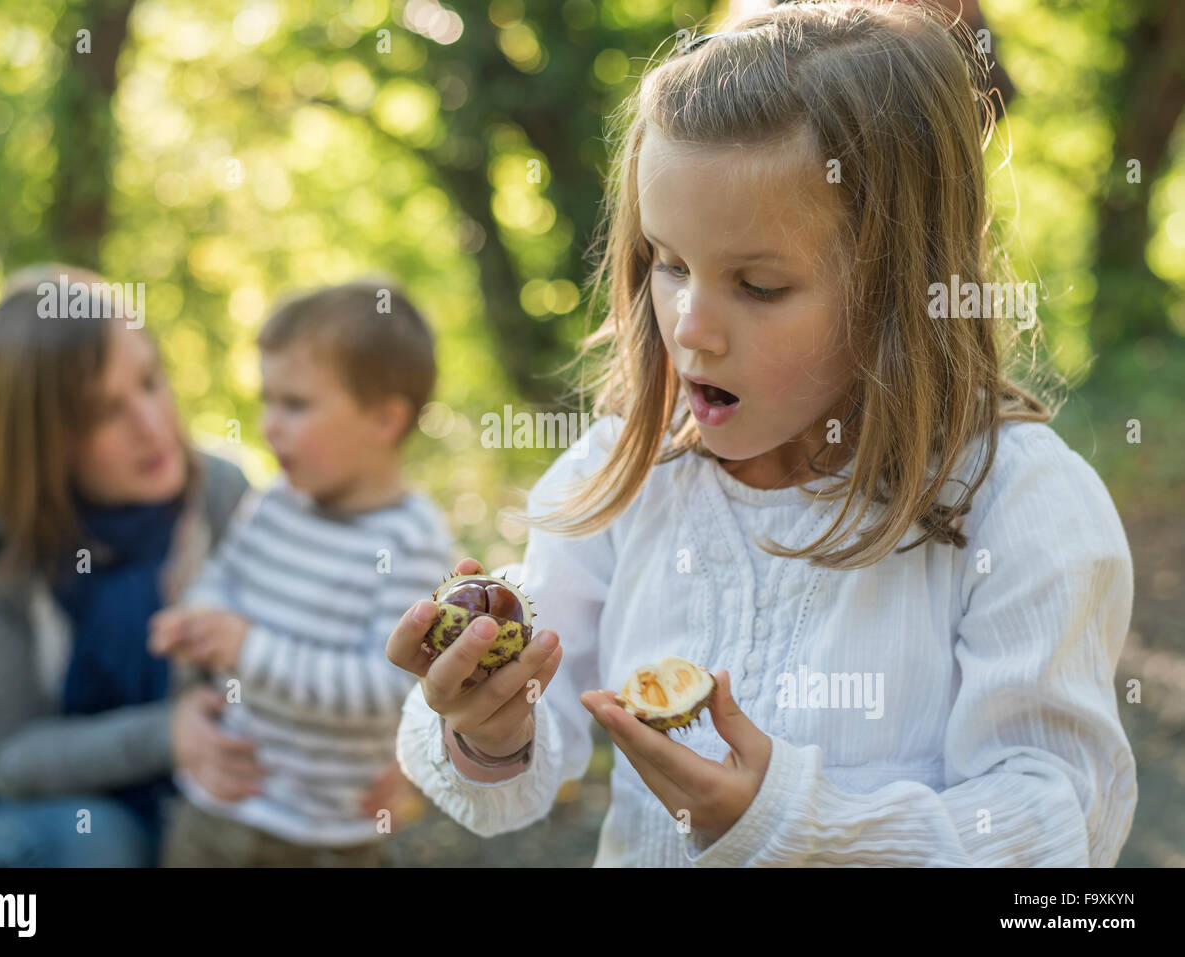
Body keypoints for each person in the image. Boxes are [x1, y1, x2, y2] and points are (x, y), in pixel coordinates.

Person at [385, 2, 1137, 866]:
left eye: (760, 285)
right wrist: (487, 726)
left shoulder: (1019, 507)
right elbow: (518, 770)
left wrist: (789, 822)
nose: (692, 326)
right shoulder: (628, 474)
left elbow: (1056, 827)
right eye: (670, 263)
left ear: (901, 287)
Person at [0, 264, 260, 867]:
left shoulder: (221, 492)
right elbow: (8, 751)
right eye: (103, 413)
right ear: (41, 439)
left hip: (194, 790)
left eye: (150, 381)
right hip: (17, 812)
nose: (152, 424)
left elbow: (274, 667)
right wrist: (167, 734)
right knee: (99, 841)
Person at [151, 280, 456, 867]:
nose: (269, 425)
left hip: (326, 839)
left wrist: (248, 650)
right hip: (216, 811)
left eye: (294, 405)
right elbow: (222, 578)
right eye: (267, 401)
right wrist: (197, 616)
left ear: (384, 420)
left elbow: (385, 688)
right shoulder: (272, 506)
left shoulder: (411, 541)